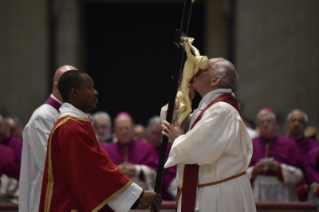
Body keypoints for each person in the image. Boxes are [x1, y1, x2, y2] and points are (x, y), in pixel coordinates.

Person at [39, 70, 161, 211]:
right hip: (69, 205)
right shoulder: (71, 127)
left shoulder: (76, 123)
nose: (96, 92)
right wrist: (139, 195)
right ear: (75, 92)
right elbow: (96, 169)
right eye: (90, 88)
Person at [162, 58, 256, 212]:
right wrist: (184, 96)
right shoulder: (208, 109)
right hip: (207, 191)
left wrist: (179, 139)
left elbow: (198, 151)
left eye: (204, 67)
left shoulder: (222, 110)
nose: (197, 68)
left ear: (215, 80)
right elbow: (171, 124)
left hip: (219, 195)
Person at [19, 65, 77, 212]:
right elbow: (49, 164)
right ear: (56, 86)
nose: (75, 92)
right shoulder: (43, 117)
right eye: (71, 86)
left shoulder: (70, 116)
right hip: (45, 198)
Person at [247, 108, 304, 201]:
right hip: (257, 189)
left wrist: (280, 169)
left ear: (276, 124)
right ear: (258, 125)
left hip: (282, 189)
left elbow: (300, 173)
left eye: (268, 121)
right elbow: (240, 172)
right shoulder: (250, 144)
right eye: (262, 122)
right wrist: (254, 170)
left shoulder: (289, 144)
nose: (265, 124)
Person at [102, 113, 158, 191]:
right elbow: (100, 174)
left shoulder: (147, 148)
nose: (124, 131)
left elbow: (157, 173)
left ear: (133, 127)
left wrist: (138, 170)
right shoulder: (106, 150)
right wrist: (116, 171)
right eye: (120, 128)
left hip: (143, 197)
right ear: (114, 130)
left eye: (127, 128)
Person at [147, 116, 177, 200]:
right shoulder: (142, 148)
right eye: (153, 133)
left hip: (168, 194)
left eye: (159, 134)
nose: (156, 137)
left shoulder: (170, 149)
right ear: (148, 132)